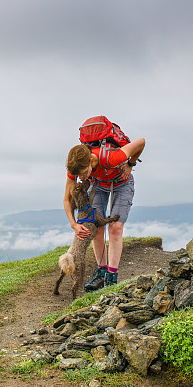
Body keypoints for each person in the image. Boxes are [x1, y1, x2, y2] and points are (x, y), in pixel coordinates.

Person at [63, 118, 145, 291]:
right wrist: (74, 225)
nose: (82, 177)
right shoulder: (75, 166)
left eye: (84, 173)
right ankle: (101, 272)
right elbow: (67, 199)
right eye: (80, 175)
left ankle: (111, 277)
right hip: (98, 184)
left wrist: (130, 164)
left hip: (122, 183)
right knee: (97, 228)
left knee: (115, 228)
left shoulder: (111, 157)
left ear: (91, 162)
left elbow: (141, 142)